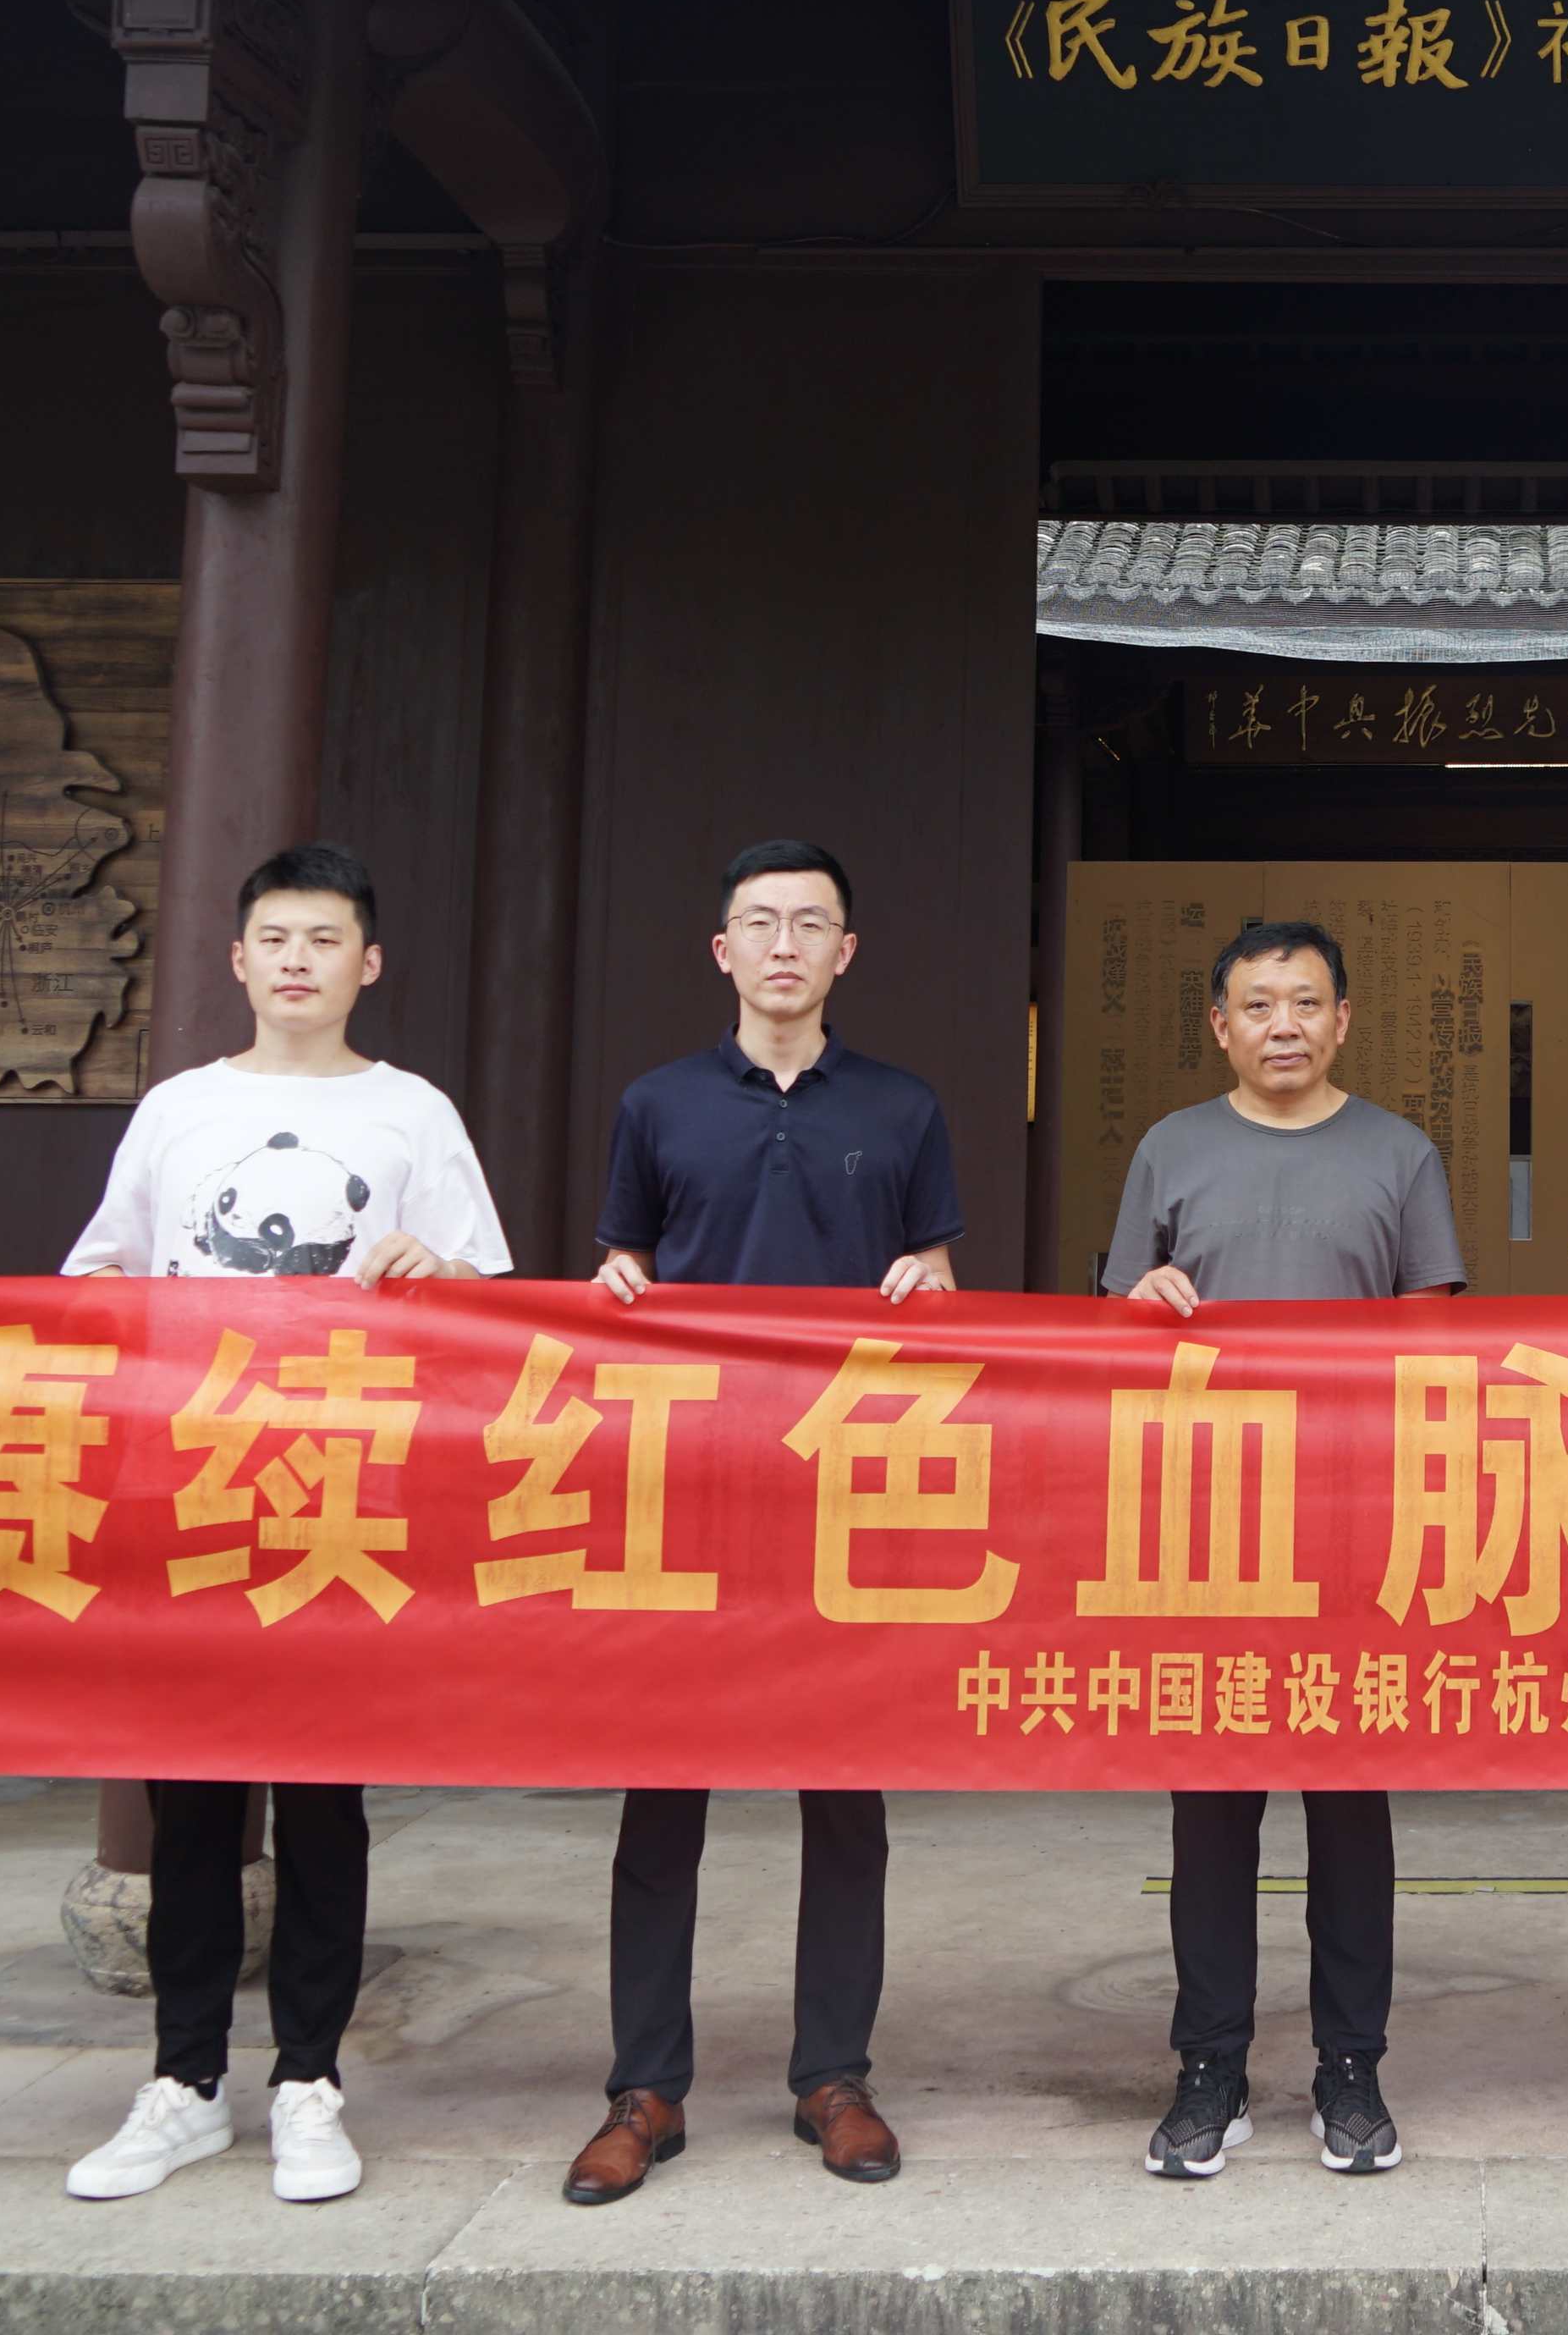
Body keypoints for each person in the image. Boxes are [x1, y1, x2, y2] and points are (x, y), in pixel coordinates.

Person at [56, 840, 511, 2211]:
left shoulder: (412, 1112)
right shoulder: (178, 1110)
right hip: (190, 1491)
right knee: (191, 1800)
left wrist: (439, 1274)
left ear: (369, 964)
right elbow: (99, 1278)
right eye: (277, 939)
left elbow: (489, 1298)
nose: (300, 961)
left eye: (326, 939)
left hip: (341, 1495)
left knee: (323, 1800)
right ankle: (185, 2081)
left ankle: (310, 2079)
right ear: (239, 960)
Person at [564, 838, 960, 2206]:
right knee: (662, 1798)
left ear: (846, 952)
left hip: (846, 1499)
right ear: (722, 949)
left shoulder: (901, 1109)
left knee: (844, 1800)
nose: (784, 946)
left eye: (810, 924)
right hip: (691, 1499)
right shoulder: (658, 1104)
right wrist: (617, 1285)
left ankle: (833, 2077)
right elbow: (622, 1267)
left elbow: (938, 1280)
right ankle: (644, 2087)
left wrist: (931, 1289)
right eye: (760, 923)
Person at [1104, 915, 1468, 2182]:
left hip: (1355, 1526)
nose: (1283, 1027)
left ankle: (1350, 2066)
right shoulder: (1169, 1149)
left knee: (1350, 1810)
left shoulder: (1400, 1153)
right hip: (1207, 1527)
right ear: (1221, 1026)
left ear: (1343, 1019)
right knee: (1211, 1811)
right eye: (1257, 1006)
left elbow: (1432, 1343)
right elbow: (1116, 1329)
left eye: (1306, 1003)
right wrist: (1142, 1303)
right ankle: (1209, 2065)